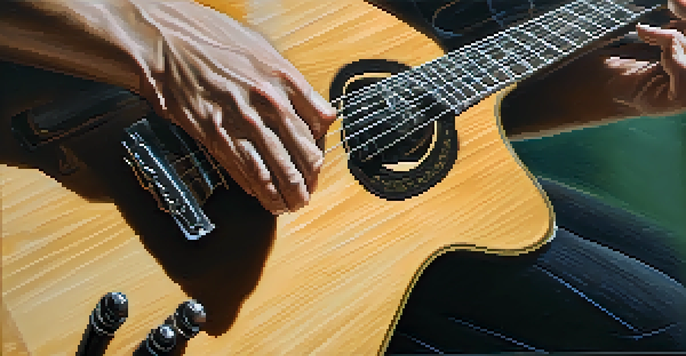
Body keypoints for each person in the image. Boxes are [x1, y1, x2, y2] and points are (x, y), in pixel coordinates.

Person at [1, 0, 685, 353]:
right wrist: (152, 33)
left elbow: (403, 95)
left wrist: (625, 93)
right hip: (66, 124)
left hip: (310, 191)